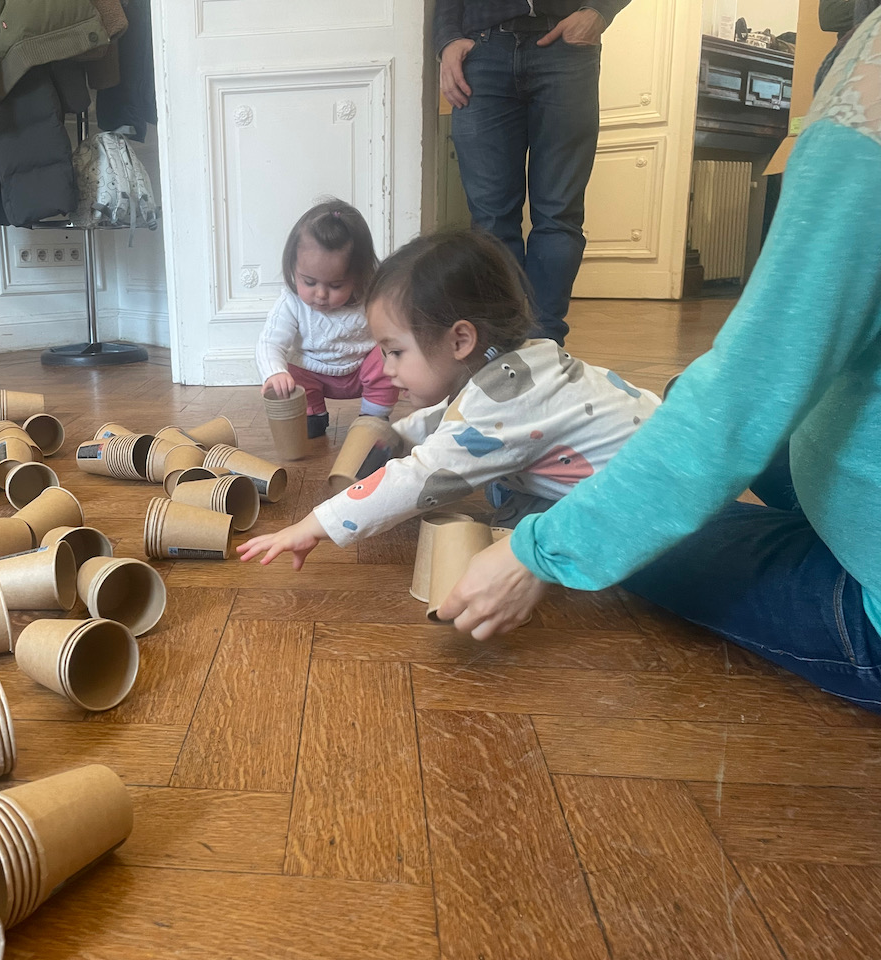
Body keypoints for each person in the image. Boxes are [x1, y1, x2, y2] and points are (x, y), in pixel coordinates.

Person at [438, 10, 881, 711]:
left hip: (868, 606)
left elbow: (741, 399)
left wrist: (539, 553)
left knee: (615, 521)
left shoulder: (863, 125)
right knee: (680, 400)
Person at [239, 229, 659, 569]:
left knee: (498, 500)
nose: (385, 368)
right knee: (497, 483)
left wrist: (315, 525)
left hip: (644, 498)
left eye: (395, 352)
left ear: (460, 340)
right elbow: (453, 416)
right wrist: (396, 436)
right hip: (646, 438)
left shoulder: (499, 405)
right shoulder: (517, 364)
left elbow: (420, 478)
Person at [435, 0, 631, 345]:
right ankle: (502, 343)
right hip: (481, 51)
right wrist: (447, 39)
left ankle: (544, 345)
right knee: (491, 219)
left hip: (566, 46)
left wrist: (600, 11)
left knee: (559, 214)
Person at [255, 201, 399, 440]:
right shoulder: (291, 303)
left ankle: (373, 418)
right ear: (293, 268)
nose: (320, 294)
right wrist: (274, 373)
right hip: (312, 372)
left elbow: (395, 332)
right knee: (290, 370)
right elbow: (270, 343)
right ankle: (313, 415)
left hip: (360, 369)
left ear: (359, 276)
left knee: (387, 355)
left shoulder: (371, 297)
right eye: (309, 282)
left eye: (336, 285)